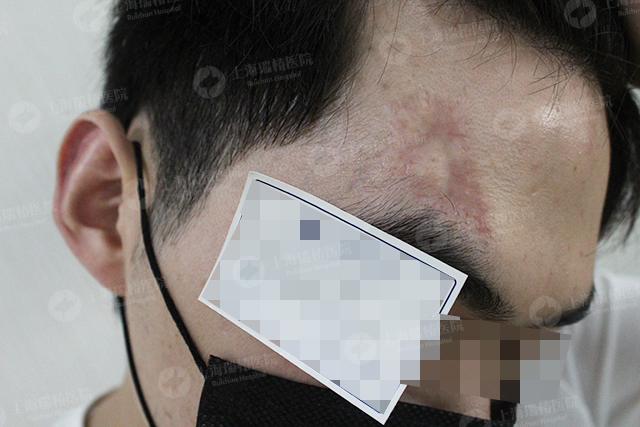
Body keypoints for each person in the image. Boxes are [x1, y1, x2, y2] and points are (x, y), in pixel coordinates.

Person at [51, 0, 640, 426]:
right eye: (387, 315)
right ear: (109, 207)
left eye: (532, 341)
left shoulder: (580, 370)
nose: (481, 396)